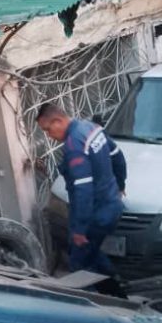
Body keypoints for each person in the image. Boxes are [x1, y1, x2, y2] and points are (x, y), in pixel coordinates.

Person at [37, 102, 126, 275]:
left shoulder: (75, 145)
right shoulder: (91, 128)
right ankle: (118, 291)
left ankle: (106, 298)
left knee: (79, 264)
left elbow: (83, 191)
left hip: (96, 213)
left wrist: (79, 229)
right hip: (112, 205)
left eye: (47, 130)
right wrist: (121, 185)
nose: (49, 136)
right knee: (92, 254)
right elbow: (117, 156)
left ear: (57, 121)